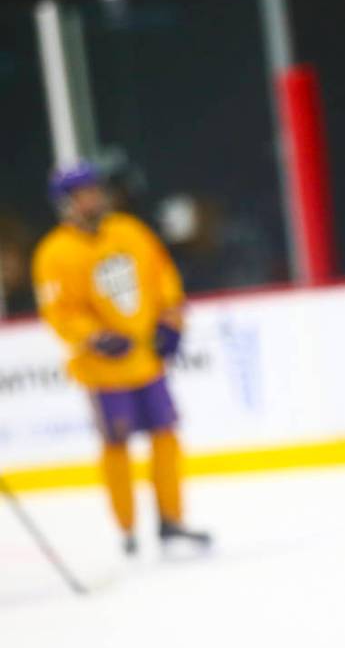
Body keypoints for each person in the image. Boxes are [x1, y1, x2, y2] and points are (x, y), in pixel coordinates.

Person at [32, 159, 211, 556]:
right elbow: (59, 311)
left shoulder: (129, 231)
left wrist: (171, 320)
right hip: (104, 373)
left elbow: (162, 276)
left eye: (95, 190)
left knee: (166, 434)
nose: (92, 199)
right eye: (82, 195)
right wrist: (93, 337)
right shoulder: (54, 253)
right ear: (64, 203)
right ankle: (127, 529)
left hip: (146, 361)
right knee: (116, 444)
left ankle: (172, 520)